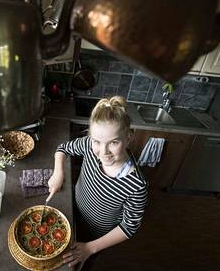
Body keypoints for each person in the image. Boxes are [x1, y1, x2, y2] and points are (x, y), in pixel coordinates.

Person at [47, 96, 148, 269]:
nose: (103, 152)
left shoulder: (137, 185)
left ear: (129, 137)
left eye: (114, 142)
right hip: (73, 213)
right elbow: (63, 149)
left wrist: (90, 248)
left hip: (96, 236)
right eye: (97, 142)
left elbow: (129, 227)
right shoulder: (88, 146)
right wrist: (59, 173)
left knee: (81, 264)